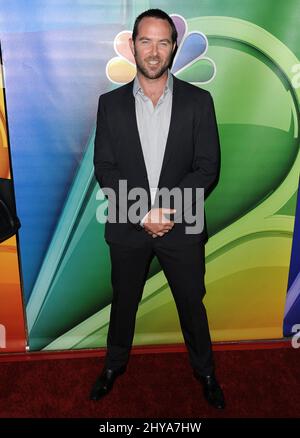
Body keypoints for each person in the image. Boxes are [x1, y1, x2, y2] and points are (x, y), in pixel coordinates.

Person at [91, 8, 225, 409]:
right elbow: (105, 167)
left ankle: (205, 372)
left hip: (180, 227)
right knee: (124, 301)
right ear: (133, 45)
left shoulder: (199, 101)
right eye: (145, 41)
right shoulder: (109, 104)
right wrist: (139, 214)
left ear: (173, 48)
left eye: (162, 42)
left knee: (191, 303)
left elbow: (208, 167)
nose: (153, 51)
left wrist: (165, 210)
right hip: (127, 228)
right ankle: (114, 365)